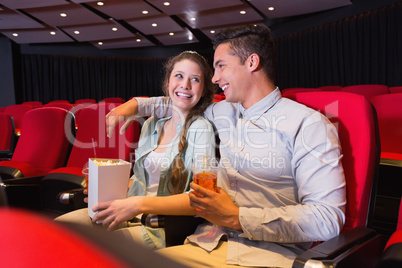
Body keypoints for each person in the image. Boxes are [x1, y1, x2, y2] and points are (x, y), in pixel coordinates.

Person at [105, 25, 346, 268]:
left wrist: (238, 217)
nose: (214, 78)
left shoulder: (308, 125)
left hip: (265, 253)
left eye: (221, 65)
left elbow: (328, 219)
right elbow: (182, 101)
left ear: (252, 62)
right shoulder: (222, 111)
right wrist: (136, 104)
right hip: (205, 240)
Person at [56, 51, 217, 250]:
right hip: (129, 211)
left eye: (195, 79)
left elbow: (202, 198)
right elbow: (141, 179)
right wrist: (107, 190)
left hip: (159, 227)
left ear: (203, 90)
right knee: (57, 232)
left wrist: (138, 205)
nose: (185, 84)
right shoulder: (151, 124)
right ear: (167, 83)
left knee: (92, 250)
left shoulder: (201, 128)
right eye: (179, 76)